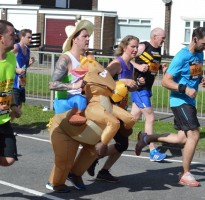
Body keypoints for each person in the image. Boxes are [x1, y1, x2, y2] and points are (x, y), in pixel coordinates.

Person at [135, 27, 205, 187]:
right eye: (204, 44)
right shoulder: (181, 56)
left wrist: (201, 79)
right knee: (194, 136)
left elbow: (193, 72)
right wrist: (185, 89)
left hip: (189, 101)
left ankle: (146, 138)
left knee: (181, 138)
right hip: (180, 101)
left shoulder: (200, 54)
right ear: (195, 39)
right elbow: (165, 81)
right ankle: (185, 173)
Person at [46, 19, 105, 193]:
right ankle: (56, 181)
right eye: (85, 36)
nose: (88, 39)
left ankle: (74, 174)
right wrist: (73, 86)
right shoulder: (65, 58)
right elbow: (52, 84)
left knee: (95, 143)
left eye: (88, 36)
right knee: (69, 151)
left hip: (82, 107)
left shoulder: (86, 60)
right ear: (75, 39)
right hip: (66, 108)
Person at [87, 35, 141, 182]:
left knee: (121, 144)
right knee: (121, 143)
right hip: (110, 108)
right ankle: (92, 161)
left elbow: (121, 89)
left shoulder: (130, 66)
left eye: (137, 47)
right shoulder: (117, 63)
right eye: (132, 46)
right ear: (124, 47)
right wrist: (123, 80)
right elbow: (102, 80)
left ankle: (100, 167)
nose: (135, 49)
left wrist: (134, 84)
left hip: (121, 108)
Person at [130, 27, 168, 162]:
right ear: (154, 36)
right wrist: (138, 67)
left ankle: (108, 135)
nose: (164, 40)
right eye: (162, 38)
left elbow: (151, 67)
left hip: (147, 88)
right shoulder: (143, 46)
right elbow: (125, 59)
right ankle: (153, 151)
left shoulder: (158, 51)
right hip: (139, 89)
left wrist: (161, 68)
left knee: (131, 119)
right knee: (150, 117)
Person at [0, 20, 22, 167]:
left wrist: (13, 104)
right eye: (12, 34)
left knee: (8, 159)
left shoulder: (12, 58)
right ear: (1, 37)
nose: (15, 37)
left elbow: (8, 86)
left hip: (3, 117)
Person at [12, 29, 35, 113]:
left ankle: (8, 124)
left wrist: (30, 63)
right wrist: (15, 69)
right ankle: (6, 124)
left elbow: (25, 66)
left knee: (19, 105)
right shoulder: (16, 47)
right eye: (28, 37)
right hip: (13, 83)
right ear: (22, 37)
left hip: (22, 81)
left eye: (31, 37)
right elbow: (4, 61)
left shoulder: (28, 50)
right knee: (14, 108)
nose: (30, 39)